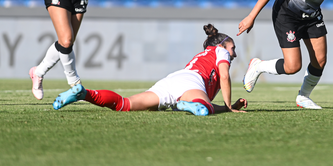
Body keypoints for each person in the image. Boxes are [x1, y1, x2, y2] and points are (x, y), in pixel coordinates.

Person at [52, 24, 248, 115]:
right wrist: (229, 106)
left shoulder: (203, 55)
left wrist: (230, 108)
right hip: (191, 83)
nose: (234, 54)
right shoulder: (220, 51)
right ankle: (185, 105)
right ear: (223, 45)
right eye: (233, 48)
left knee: (124, 104)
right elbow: (224, 76)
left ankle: (84, 93)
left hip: (171, 81)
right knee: (204, 109)